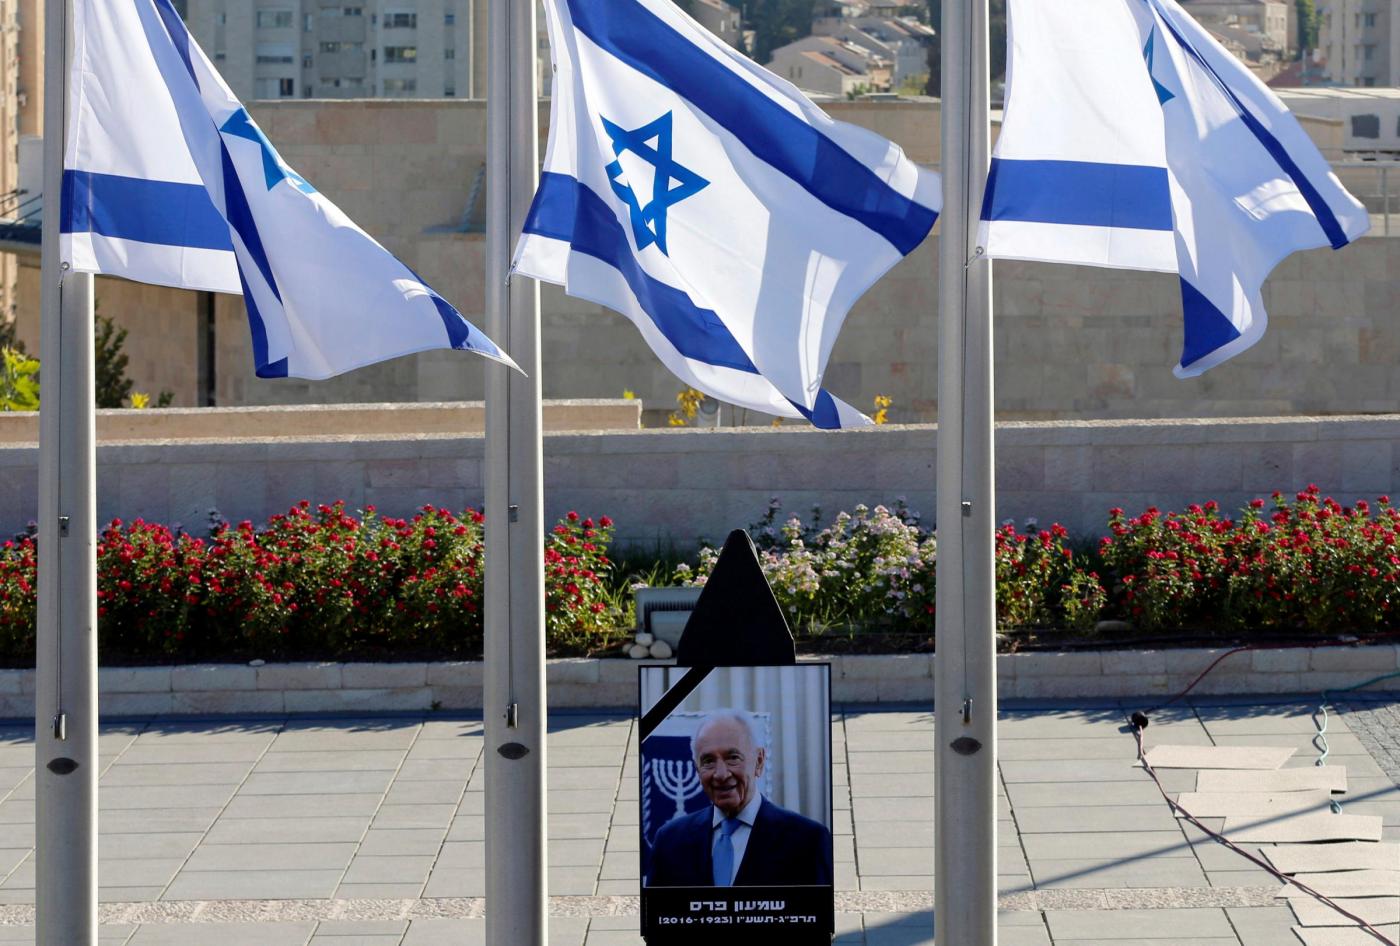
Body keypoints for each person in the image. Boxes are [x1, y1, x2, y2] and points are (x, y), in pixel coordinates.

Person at [646, 709, 832, 887]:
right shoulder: (669, 842)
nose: (721, 774)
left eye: (732, 758)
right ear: (697, 770)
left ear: (758, 761)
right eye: (708, 761)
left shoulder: (808, 842)